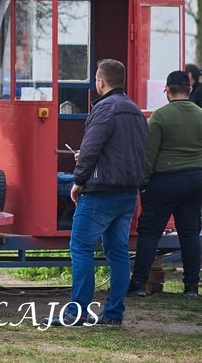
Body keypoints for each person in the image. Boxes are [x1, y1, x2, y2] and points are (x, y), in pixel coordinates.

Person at [52, 58, 148, 327]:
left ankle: (77, 312)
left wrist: (78, 182)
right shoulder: (134, 111)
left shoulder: (104, 109)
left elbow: (91, 149)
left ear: (100, 81)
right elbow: (134, 151)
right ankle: (114, 313)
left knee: (81, 248)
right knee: (118, 253)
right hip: (128, 192)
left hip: (100, 192)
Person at [129, 70, 202, 298]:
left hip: (165, 180)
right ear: (189, 91)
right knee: (190, 233)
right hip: (196, 179)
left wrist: (144, 182)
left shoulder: (159, 117)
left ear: (167, 91)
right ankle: (191, 286)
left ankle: (139, 283)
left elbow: (149, 155)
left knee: (150, 231)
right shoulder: (201, 114)